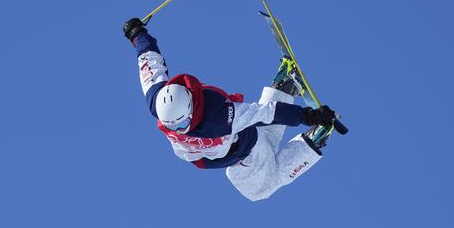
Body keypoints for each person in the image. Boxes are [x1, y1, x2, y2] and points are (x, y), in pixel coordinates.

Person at [123, 18, 339, 201]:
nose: (181, 130)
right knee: (265, 140)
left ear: (190, 109)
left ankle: (314, 139)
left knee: (260, 189)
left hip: (244, 152)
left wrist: (309, 116)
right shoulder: (159, 103)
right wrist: (137, 34)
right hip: (243, 142)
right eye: (173, 126)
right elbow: (149, 65)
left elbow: (264, 113)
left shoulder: (217, 118)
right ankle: (285, 84)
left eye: (181, 123)